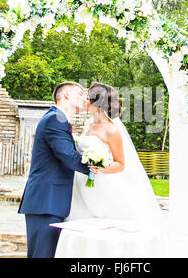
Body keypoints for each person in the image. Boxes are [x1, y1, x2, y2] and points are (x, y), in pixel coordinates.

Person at [67, 82, 165, 225]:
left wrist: (100, 166)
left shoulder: (112, 130)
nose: (85, 102)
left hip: (102, 185)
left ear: (98, 104)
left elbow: (120, 164)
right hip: (81, 180)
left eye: (88, 99)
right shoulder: (88, 124)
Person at [18, 81, 93, 258]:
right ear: (66, 96)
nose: (84, 98)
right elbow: (68, 156)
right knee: (42, 254)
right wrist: (95, 167)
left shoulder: (58, 119)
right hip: (46, 201)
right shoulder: (54, 119)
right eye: (80, 94)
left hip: (51, 202)